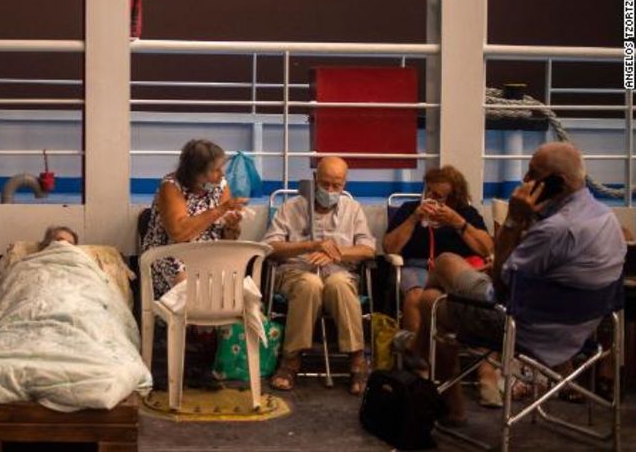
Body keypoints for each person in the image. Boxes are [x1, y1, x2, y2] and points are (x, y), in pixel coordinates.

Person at [402, 142, 625, 424]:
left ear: (558, 183)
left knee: (432, 294)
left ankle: (442, 386)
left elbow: (501, 287)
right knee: (435, 290)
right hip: (582, 329)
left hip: (524, 329)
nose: (524, 180)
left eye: (533, 173)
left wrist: (513, 220)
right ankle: (427, 353)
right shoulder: (606, 218)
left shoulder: (555, 228)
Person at [382, 165, 501, 407]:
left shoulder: (466, 214)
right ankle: (423, 369)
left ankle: (486, 374)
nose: (432, 200)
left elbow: (486, 248)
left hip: (459, 271)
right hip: (417, 266)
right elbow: (390, 247)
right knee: (416, 297)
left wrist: (458, 223)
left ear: (454, 198)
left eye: (439, 196)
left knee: (476, 303)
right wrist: (415, 218)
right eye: (429, 193)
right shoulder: (409, 210)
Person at [262, 156, 375, 395]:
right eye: (326, 184)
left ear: (345, 184)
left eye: (337, 185)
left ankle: (357, 360)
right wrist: (310, 246)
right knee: (310, 283)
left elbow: (368, 249)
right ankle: (290, 361)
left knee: (339, 284)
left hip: (339, 271)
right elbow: (270, 247)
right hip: (296, 272)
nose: (331, 190)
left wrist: (336, 253)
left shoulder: (353, 209)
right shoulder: (291, 207)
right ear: (314, 179)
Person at [139, 139, 247, 389]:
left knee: (230, 288)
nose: (221, 174)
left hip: (209, 254)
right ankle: (183, 360)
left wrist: (232, 226)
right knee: (190, 288)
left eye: (222, 168)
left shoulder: (220, 185)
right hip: (169, 254)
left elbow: (227, 236)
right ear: (196, 172)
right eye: (215, 169)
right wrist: (219, 211)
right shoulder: (171, 187)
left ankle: (205, 361)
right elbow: (179, 233)